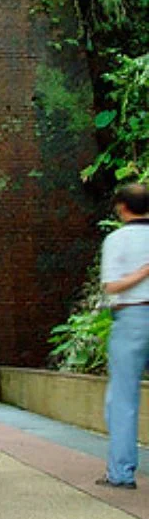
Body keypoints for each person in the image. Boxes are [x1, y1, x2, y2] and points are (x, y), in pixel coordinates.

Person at [96, 183, 149, 490]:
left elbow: (111, 286)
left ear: (122, 208)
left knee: (123, 399)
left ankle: (121, 472)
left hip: (131, 319)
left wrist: (140, 274)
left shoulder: (117, 240)